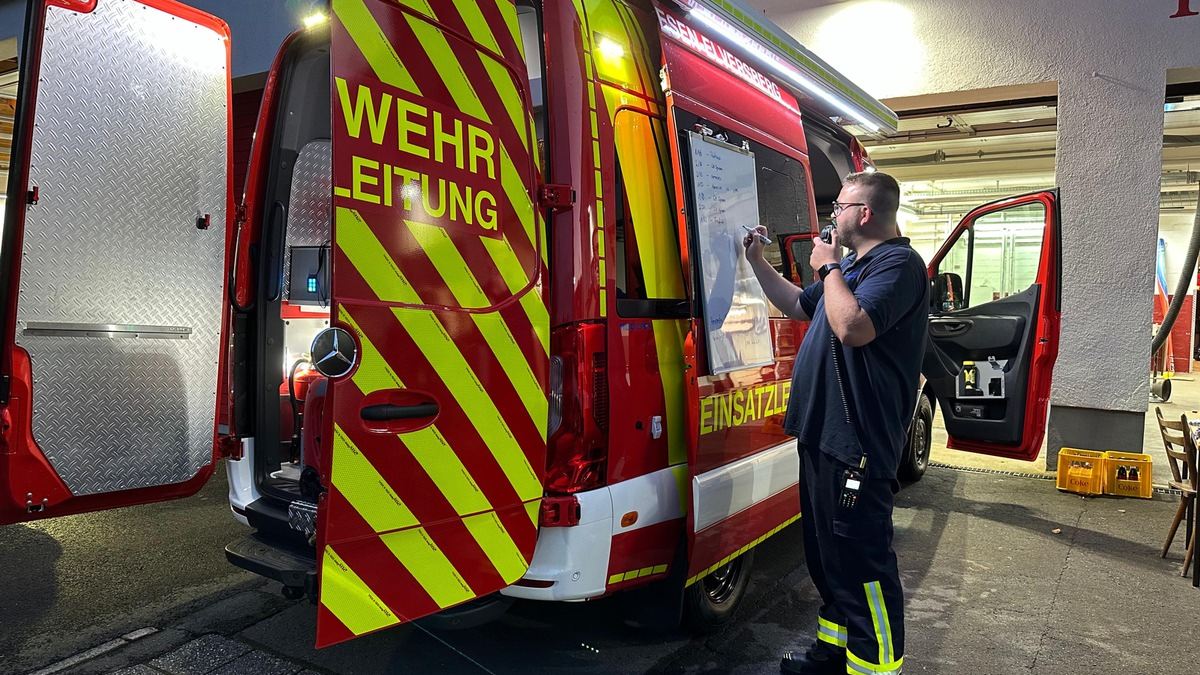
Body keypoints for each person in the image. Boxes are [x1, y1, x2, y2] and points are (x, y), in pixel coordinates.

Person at [742, 171, 928, 675]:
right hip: (823, 439)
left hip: (858, 447)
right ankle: (831, 656)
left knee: (863, 565)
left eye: (839, 207)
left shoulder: (899, 264)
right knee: (830, 561)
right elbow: (795, 305)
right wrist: (756, 262)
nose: (832, 217)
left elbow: (853, 328)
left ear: (864, 214)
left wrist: (828, 271)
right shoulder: (854, 268)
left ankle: (875, 667)